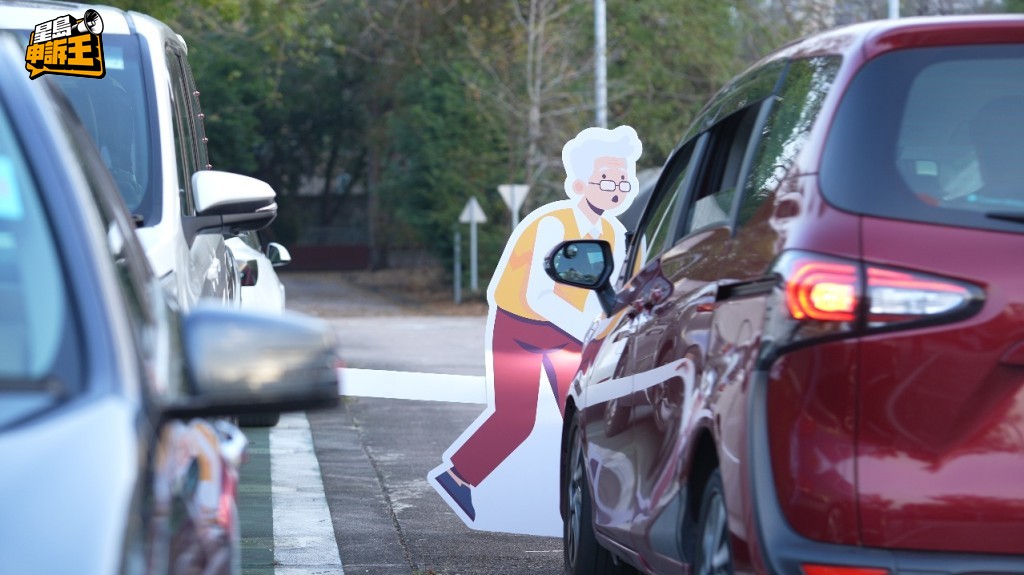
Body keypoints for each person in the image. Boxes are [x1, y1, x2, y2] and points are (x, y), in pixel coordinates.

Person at [433, 125, 642, 522]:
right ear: (579, 183)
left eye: (622, 180)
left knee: (580, 414)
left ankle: (594, 496)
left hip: (567, 332)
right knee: (516, 418)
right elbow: (538, 295)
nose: (616, 188)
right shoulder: (552, 223)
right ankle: (459, 477)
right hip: (520, 326)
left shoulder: (614, 232)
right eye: (606, 179)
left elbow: (610, 286)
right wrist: (591, 330)